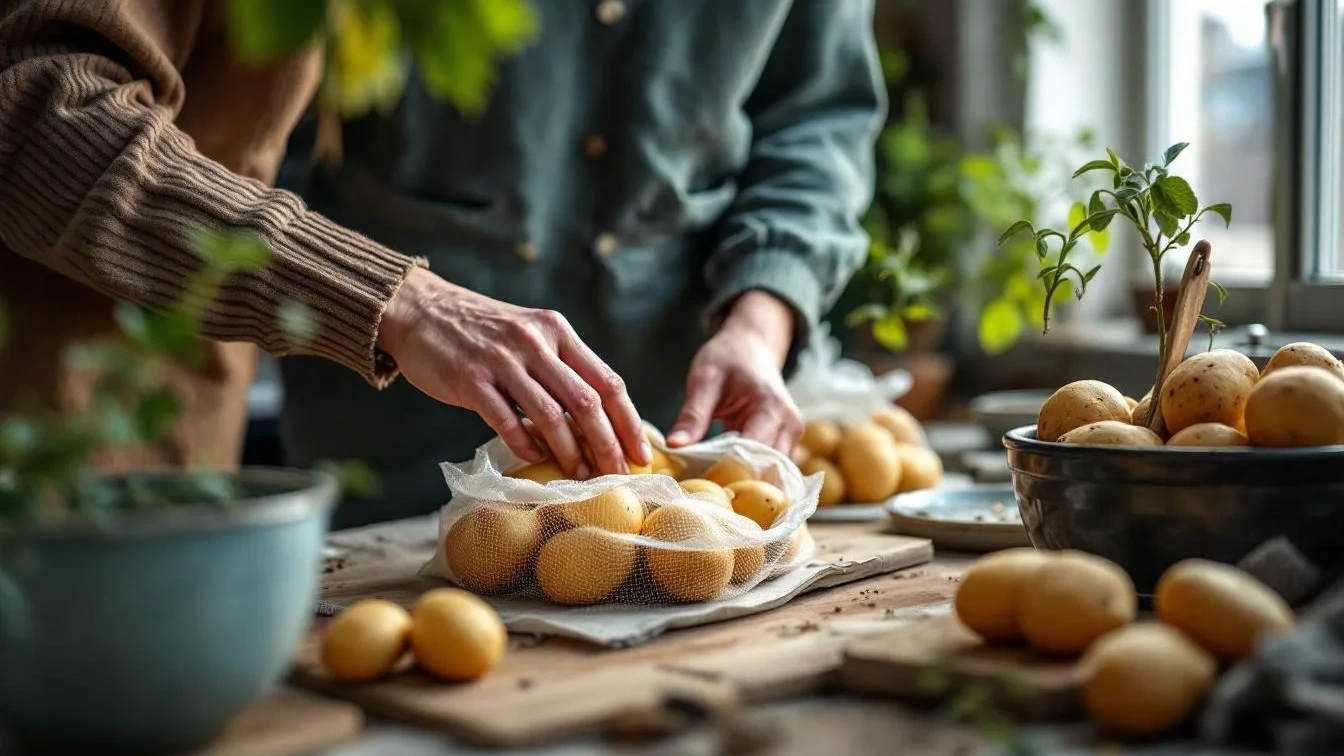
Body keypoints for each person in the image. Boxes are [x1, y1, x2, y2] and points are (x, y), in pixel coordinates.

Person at [0, 0, 883, 528]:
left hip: (678, 468)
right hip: (349, 446)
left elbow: (816, 117)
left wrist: (761, 318)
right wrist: (389, 298)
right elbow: (33, 105)